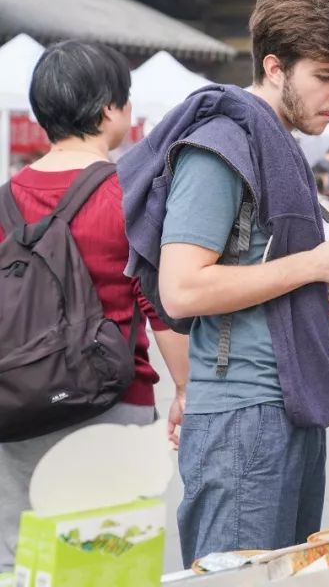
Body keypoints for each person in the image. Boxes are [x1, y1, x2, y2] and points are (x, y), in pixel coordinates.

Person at [119, 0, 329, 566]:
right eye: (326, 76)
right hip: (243, 416)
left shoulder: (271, 142)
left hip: (284, 407)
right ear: (274, 66)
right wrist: (317, 262)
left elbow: (262, 267)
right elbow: (182, 287)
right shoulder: (221, 145)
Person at [0, 41, 189, 572]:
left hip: (14, 407)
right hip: (112, 405)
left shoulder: (3, 198)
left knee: (22, 565)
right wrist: (186, 390)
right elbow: (161, 304)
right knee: (108, 566)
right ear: (110, 110)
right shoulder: (129, 196)